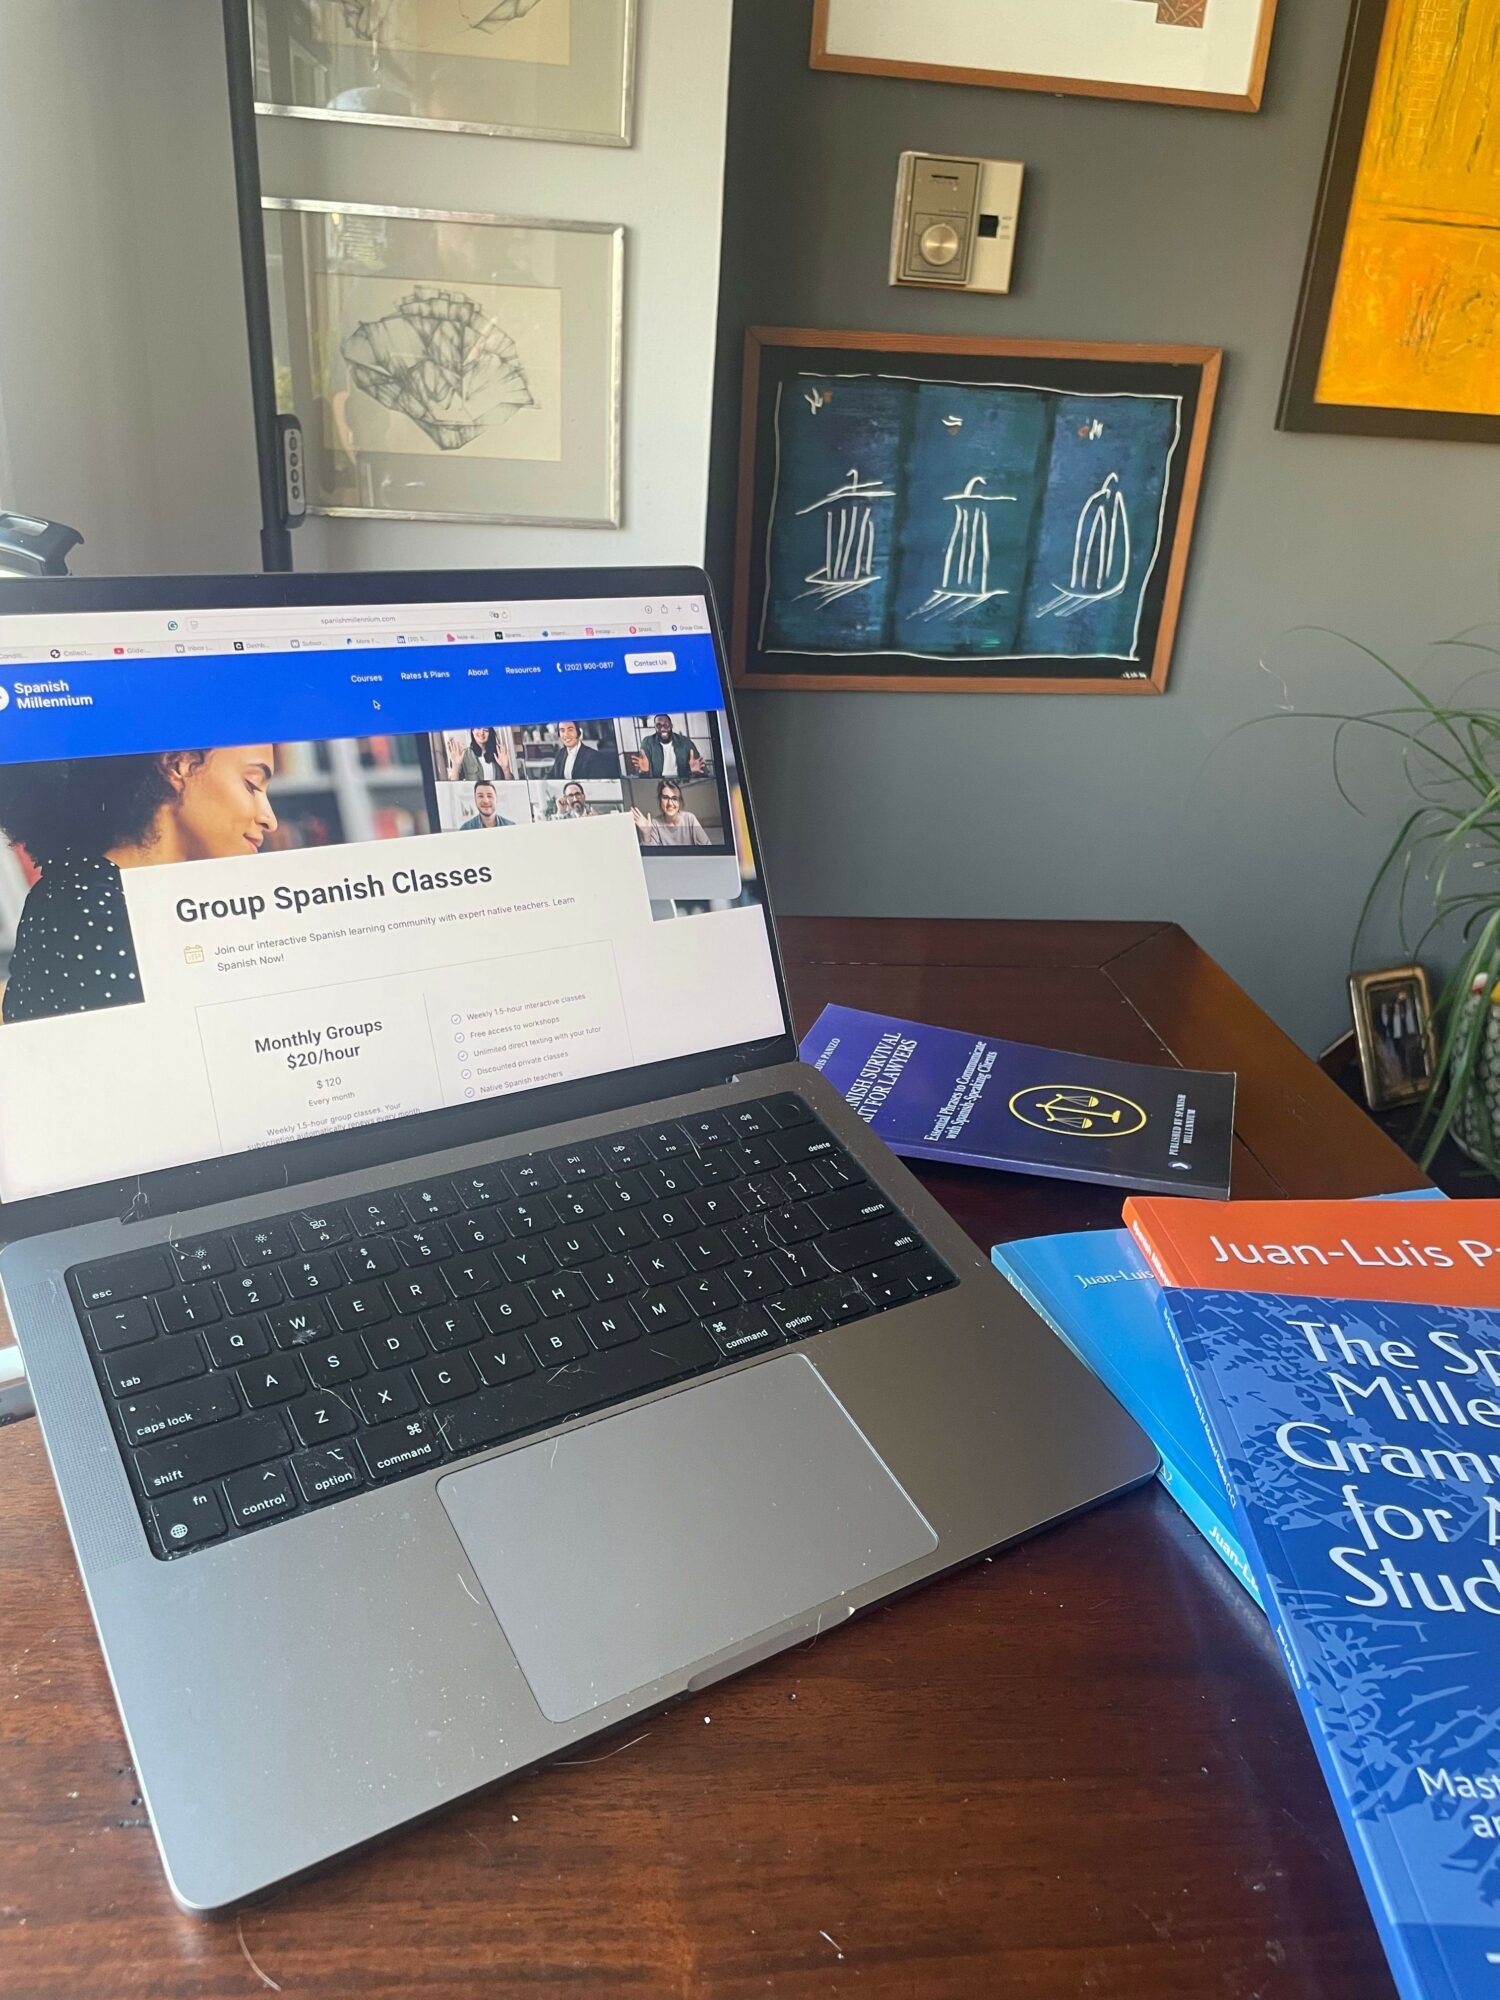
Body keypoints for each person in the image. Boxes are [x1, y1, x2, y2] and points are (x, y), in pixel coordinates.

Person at [0, 745, 277, 1024]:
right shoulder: (97, 913)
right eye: (251, 785)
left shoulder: (103, 894)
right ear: (178, 764)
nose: (270, 820)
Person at [632, 778, 712, 848]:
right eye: (665, 798)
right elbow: (652, 856)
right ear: (660, 800)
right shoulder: (655, 824)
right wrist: (646, 834)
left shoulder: (689, 818)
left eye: (674, 798)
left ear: (679, 802)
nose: (670, 803)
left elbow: (708, 847)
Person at [631, 714, 704, 781]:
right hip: (658, 782)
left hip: (681, 783)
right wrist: (644, 772)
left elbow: (703, 772)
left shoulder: (685, 742)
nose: (662, 728)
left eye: (666, 725)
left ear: (671, 726)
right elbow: (642, 773)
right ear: (655, 727)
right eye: (658, 725)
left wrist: (696, 773)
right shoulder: (647, 742)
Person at [546, 721, 616, 780]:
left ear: (578, 732)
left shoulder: (594, 756)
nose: (566, 734)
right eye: (562, 730)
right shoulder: (560, 753)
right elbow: (551, 776)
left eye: (570, 730)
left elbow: (596, 785)